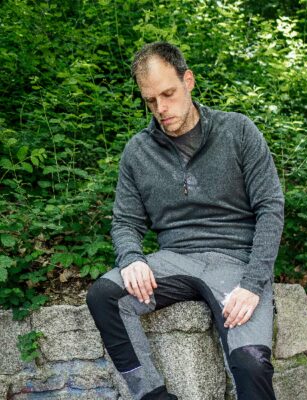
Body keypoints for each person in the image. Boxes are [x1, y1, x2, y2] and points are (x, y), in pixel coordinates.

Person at [86, 42, 284, 400]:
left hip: (236, 263)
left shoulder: (238, 131)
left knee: (252, 364)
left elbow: (270, 208)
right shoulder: (138, 152)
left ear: (188, 81)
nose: (161, 109)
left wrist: (253, 283)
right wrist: (131, 257)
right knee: (104, 296)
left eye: (168, 94)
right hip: (175, 259)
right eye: (150, 100)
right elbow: (125, 221)